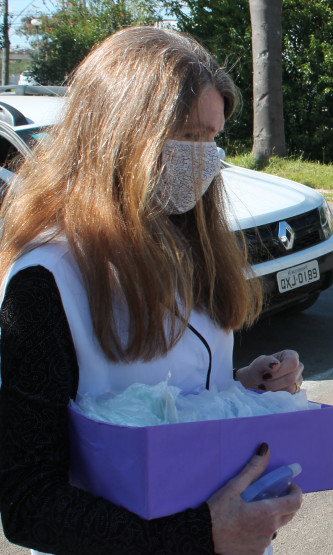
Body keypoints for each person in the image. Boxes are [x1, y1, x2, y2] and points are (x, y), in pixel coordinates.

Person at [0, 27, 306, 554]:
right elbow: (28, 503)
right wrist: (199, 535)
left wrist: (241, 389)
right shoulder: (48, 280)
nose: (204, 158)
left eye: (211, 139)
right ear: (119, 136)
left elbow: (160, 398)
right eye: (186, 137)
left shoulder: (191, 240)